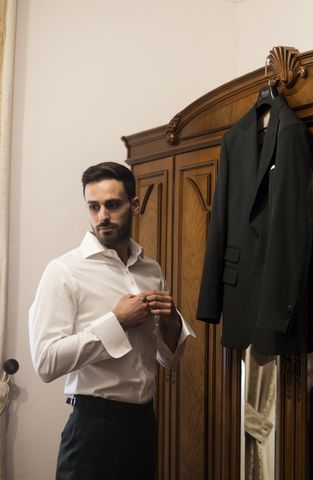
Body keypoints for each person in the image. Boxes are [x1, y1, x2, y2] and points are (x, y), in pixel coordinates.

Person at [29, 162, 195, 479]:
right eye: (94, 207)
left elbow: (167, 359)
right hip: (93, 429)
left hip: (143, 425)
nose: (102, 216)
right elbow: (45, 362)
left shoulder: (151, 270)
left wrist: (173, 323)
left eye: (112, 205)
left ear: (134, 205)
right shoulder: (64, 271)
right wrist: (115, 322)